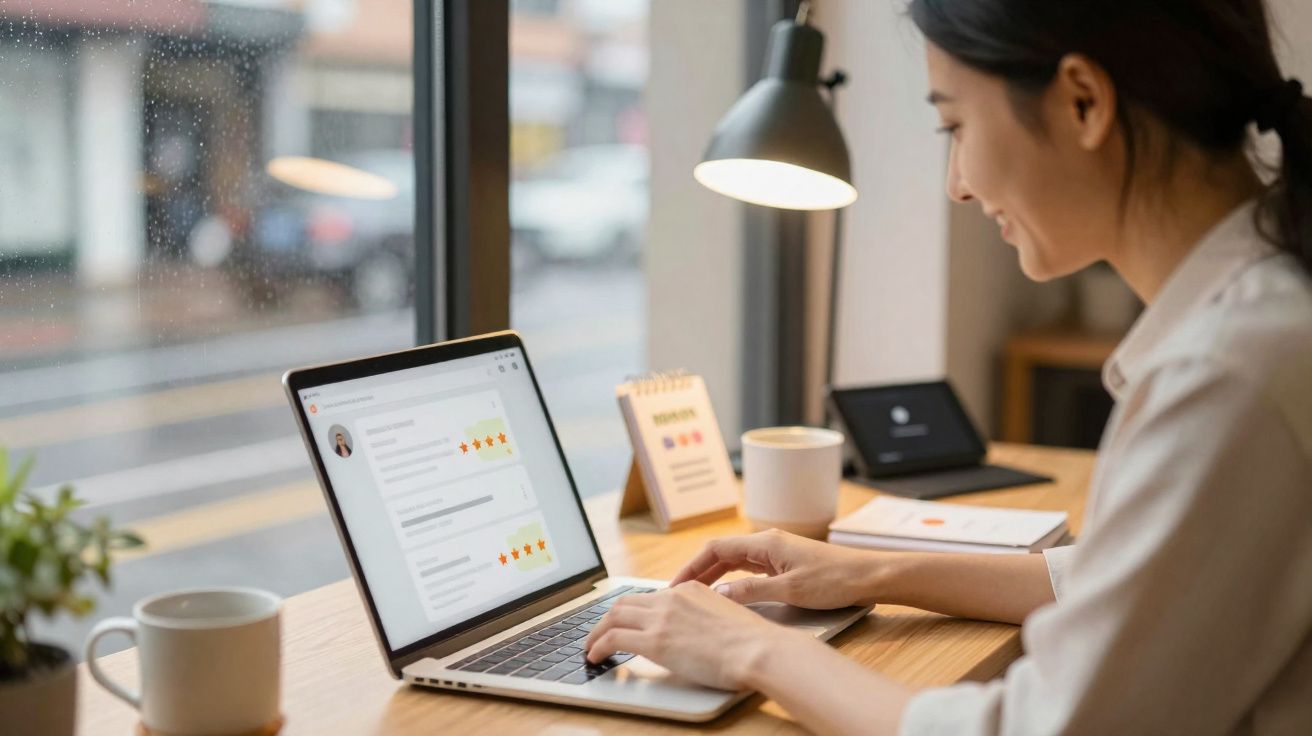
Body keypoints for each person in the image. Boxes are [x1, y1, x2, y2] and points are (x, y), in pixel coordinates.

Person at [583, 2, 1312, 733]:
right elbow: (1126, 582)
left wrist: (752, 649)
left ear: (1083, 103)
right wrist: (872, 571)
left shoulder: (1227, 373)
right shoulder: (1263, 317)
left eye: (954, 126)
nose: (956, 184)